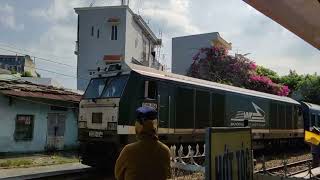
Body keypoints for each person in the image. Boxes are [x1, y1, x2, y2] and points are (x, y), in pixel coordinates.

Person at [114, 106, 171, 180]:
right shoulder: (165, 151)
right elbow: (168, 174)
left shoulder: (128, 151)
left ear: (139, 127)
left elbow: (118, 175)